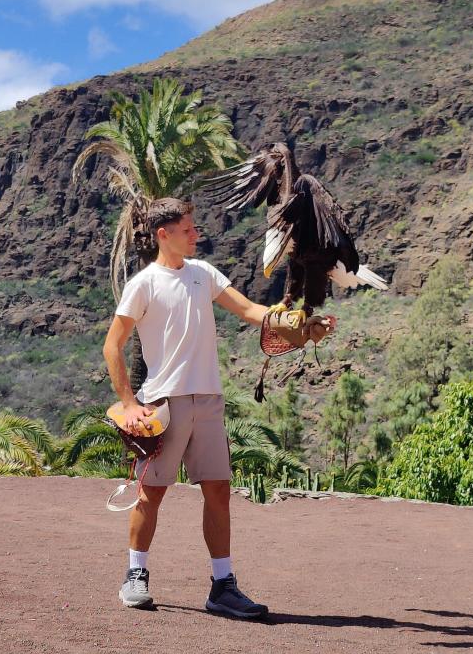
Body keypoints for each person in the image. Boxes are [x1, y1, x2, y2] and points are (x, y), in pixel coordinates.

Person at [103, 197, 330, 617]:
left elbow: (250, 310)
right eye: (188, 229)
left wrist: (297, 322)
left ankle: (222, 587)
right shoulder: (144, 284)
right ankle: (135, 576)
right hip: (164, 403)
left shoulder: (203, 274)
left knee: (219, 491)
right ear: (163, 235)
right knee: (151, 492)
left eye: (194, 227)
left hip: (208, 399)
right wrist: (129, 403)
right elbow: (112, 346)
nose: (196, 234)